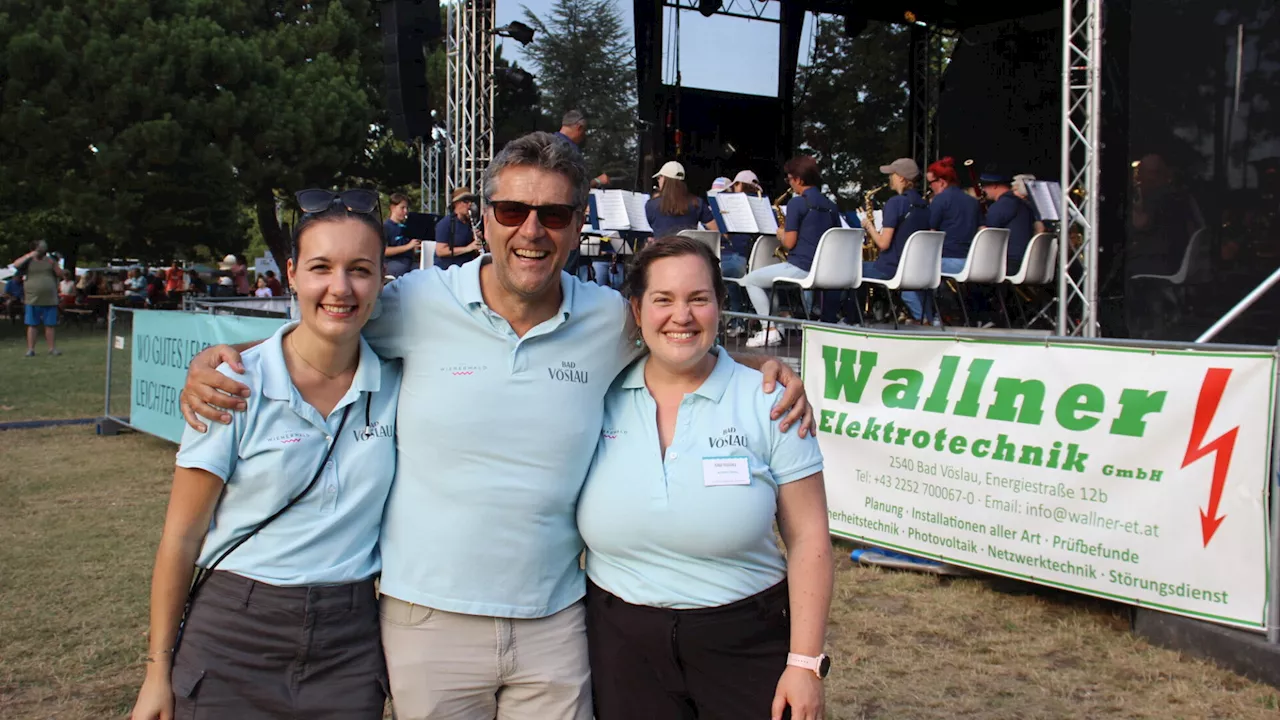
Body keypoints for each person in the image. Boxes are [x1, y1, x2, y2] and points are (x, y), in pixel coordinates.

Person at [178, 131, 814, 720]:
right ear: (483, 218)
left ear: (577, 226)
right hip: (428, 624)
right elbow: (330, 313)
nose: (531, 231)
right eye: (512, 211)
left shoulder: (606, 319)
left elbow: (678, 330)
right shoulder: (418, 302)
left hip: (556, 625)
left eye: (554, 215)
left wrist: (754, 365)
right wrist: (227, 360)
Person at [129, 189, 400, 720]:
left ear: (381, 281)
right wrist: (157, 673)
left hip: (349, 641)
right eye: (321, 267)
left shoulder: (397, 383)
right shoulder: (231, 385)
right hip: (235, 628)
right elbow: (180, 538)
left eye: (361, 270)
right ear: (292, 274)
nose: (340, 288)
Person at [580, 236, 834, 720]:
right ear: (636, 310)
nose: (682, 316)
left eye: (699, 299)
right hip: (621, 644)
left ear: (720, 306)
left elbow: (809, 537)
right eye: (663, 300)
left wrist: (804, 664)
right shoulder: (599, 394)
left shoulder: (770, 402)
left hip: (744, 639)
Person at [740, 156, 840, 347]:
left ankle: (770, 330)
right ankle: (777, 326)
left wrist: (781, 234)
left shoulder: (797, 204)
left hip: (801, 266)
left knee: (751, 280)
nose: (790, 183)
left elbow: (790, 243)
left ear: (799, 180)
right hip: (825, 271)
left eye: (790, 179)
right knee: (768, 281)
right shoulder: (831, 206)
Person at [860, 158, 931, 322]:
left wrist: (869, 226)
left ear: (900, 177)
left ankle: (852, 319)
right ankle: (924, 316)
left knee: (850, 269)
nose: (889, 178)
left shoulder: (895, 203)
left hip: (892, 269)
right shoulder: (925, 205)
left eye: (891, 174)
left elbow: (883, 244)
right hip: (917, 270)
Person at [915, 157, 980, 324]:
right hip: (973, 262)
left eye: (931, 183)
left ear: (942, 182)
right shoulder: (973, 202)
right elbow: (983, 230)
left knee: (912, 272)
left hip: (949, 260)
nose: (930, 187)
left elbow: (931, 233)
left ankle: (931, 319)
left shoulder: (940, 200)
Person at [720, 170, 763, 336]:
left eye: (736, 184)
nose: (734, 189)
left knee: (726, 271)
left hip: (737, 256)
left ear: (742, 185)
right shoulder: (761, 206)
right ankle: (743, 318)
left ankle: (738, 320)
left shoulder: (735, 206)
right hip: (754, 258)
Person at [11, 241, 65, 356]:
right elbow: (15, 264)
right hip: (32, 298)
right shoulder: (28, 260)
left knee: (50, 324)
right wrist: (30, 255)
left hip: (49, 298)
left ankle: (52, 348)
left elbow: (60, 274)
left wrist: (54, 264)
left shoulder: (50, 260)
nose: (43, 248)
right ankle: (31, 349)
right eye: (40, 247)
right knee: (32, 324)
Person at [980, 170, 1036, 276]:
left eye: (984, 186)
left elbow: (987, 235)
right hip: (1025, 261)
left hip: (1010, 263)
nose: (983, 190)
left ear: (994, 185)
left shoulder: (1002, 205)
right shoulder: (1022, 204)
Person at [644, 161, 719, 240]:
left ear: (664, 179)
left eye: (659, 177)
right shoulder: (697, 203)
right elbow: (716, 230)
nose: (658, 181)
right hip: (688, 250)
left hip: (663, 251)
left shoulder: (651, 205)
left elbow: (654, 227)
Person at [554, 109, 609, 188]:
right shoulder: (570, 150)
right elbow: (573, 187)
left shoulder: (547, 143)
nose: (584, 135)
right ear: (579, 127)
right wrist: (598, 181)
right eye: (584, 130)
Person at [433, 187, 483, 270]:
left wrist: (477, 239)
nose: (470, 204)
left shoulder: (469, 223)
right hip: (448, 269)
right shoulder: (446, 223)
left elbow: (473, 250)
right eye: (466, 201)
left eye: (471, 201)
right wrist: (468, 248)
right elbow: (440, 251)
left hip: (466, 267)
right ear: (457, 203)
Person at [384, 193, 422, 278]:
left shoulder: (407, 227)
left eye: (407, 208)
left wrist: (416, 249)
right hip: (394, 264)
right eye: (402, 208)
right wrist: (408, 246)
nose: (406, 211)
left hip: (410, 263)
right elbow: (384, 251)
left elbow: (413, 251)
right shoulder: (386, 227)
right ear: (393, 208)